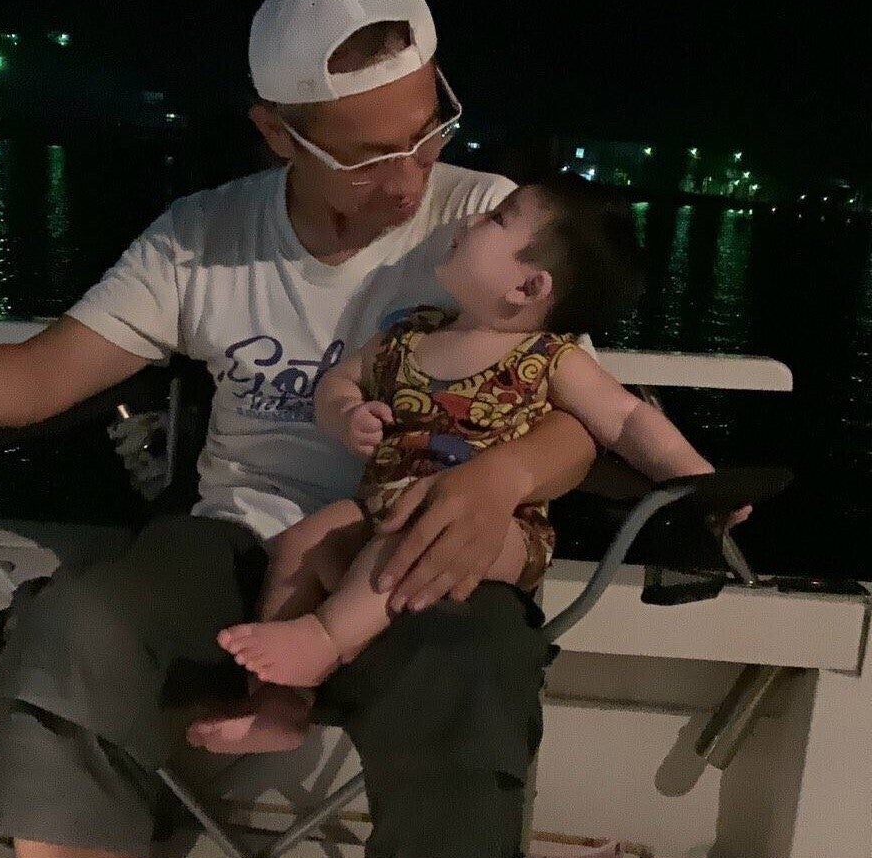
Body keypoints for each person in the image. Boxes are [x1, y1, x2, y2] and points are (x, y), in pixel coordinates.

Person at [0, 0, 599, 858]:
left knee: (471, 670)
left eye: (427, 133)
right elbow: (43, 377)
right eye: (365, 157)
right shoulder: (204, 236)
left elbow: (579, 419)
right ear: (277, 133)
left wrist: (500, 478)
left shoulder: (484, 220)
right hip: (232, 546)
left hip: (416, 552)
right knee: (74, 625)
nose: (408, 182)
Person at [188, 174, 749, 755]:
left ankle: (326, 640)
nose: (469, 221)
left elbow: (627, 419)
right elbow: (340, 382)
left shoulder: (549, 358)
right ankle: (278, 706)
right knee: (300, 545)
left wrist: (700, 483)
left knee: (418, 530)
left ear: (528, 286)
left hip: (500, 532)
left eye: (496, 220)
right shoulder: (407, 337)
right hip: (384, 505)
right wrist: (347, 413)